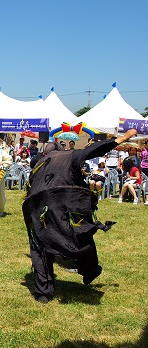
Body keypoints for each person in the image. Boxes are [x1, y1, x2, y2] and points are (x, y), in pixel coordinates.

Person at [23, 129, 138, 303]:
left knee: (40, 245)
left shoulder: (39, 161)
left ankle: (43, 292)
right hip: (58, 202)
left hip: (36, 206)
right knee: (81, 233)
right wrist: (121, 138)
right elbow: (93, 151)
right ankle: (89, 270)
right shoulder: (69, 156)